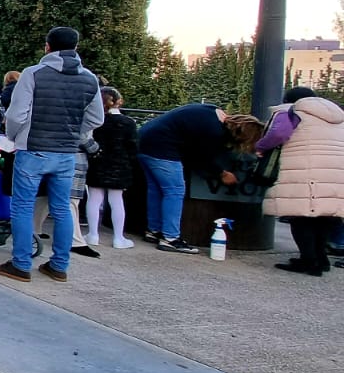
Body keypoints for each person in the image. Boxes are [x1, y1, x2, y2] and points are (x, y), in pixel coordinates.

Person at [0, 27, 103, 284]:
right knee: (62, 208)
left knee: (22, 205)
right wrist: (74, 132)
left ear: (47, 47)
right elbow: (97, 118)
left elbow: (16, 114)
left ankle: (21, 264)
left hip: (33, 148)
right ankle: (59, 265)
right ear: (76, 47)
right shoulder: (89, 78)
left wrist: (16, 136)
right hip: (66, 152)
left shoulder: (33, 74)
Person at [136, 102, 264, 255]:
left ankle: (154, 230)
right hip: (163, 148)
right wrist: (222, 173)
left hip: (144, 140)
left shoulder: (212, 111)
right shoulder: (214, 131)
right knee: (175, 191)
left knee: (156, 190)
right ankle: (170, 238)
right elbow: (201, 158)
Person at [257, 87, 343, 276]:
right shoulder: (337, 115)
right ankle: (321, 259)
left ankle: (308, 261)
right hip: (336, 171)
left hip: (306, 169)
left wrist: (260, 146)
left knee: (300, 216)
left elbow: (279, 134)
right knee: (324, 216)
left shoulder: (291, 111)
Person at [85, 87, 137, 249]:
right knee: (116, 200)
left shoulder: (96, 122)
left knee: (94, 199)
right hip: (119, 166)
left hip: (97, 162)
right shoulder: (128, 123)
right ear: (119, 101)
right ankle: (118, 238)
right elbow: (132, 147)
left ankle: (93, 234)